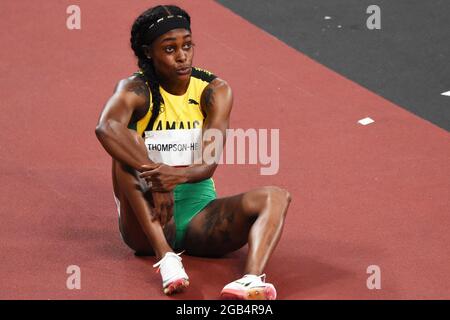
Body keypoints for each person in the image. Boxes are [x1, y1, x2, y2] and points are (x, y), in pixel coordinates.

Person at [95, 4, 291, 300]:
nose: (182, 55)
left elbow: (207, 165)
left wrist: (170, 178)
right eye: (170, 49)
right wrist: (155, 181)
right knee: (126, 146)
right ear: (149, 53)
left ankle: (250, 281)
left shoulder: (214, 91)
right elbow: (106, 128)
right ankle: (168, 259)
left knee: (276, 196)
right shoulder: (136, 90)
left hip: (201, 218)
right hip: (149, 222)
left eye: (187, 45)